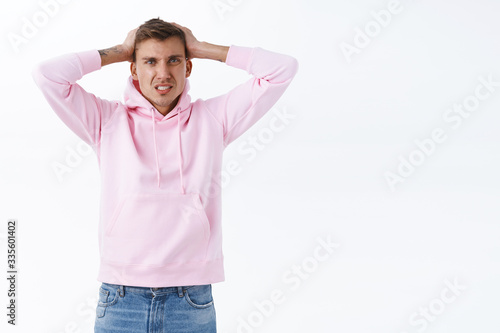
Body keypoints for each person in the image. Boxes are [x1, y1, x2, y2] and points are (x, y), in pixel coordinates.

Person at [32, 18, 298, 332]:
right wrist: (119, 51)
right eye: (150, 61)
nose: (163, 73)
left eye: (174, 60)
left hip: (190, 300)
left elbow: (282, 69)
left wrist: (201, 48)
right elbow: (47, 76)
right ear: (133, 69)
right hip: (121, 299)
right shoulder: (106, 120)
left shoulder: (213, 119)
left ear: (188, 67)